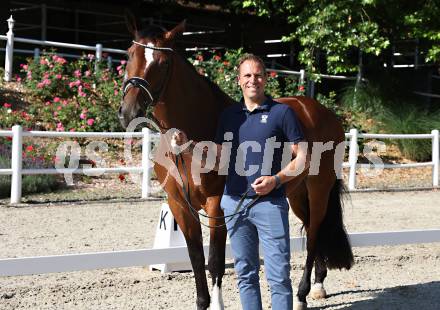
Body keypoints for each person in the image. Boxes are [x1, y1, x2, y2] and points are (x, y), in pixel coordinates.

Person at [173, 54, 309, 310]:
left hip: (270, 204)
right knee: (245, 276)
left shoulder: (283, 113)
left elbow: (303, 158)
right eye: (247, 75)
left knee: (278, 277)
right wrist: (187, 147)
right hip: (234, 205)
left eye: (258, 75)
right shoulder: (229, 116)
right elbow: (218, 160)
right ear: (239, 81)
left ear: (266, 79)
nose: (252, 80)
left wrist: (276, 180)